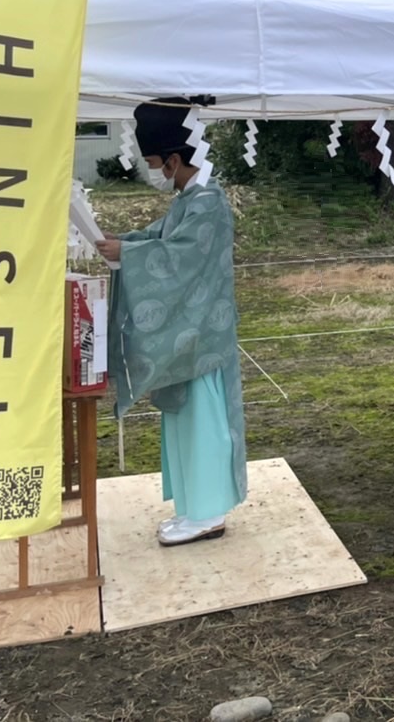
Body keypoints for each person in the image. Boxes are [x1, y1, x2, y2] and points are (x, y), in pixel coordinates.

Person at [96, 97, 247, 547]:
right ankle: (193, 507)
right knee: (186, 422)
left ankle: (208, 513)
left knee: (202, 422)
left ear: (174, 159)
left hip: (201, 338)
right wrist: (125, 242)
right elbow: (161, 237)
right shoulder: (191, 199)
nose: (151, 170)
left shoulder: (208, 203)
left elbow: (181, 256)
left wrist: (130, 253)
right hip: (192, 332)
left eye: (152, 162)